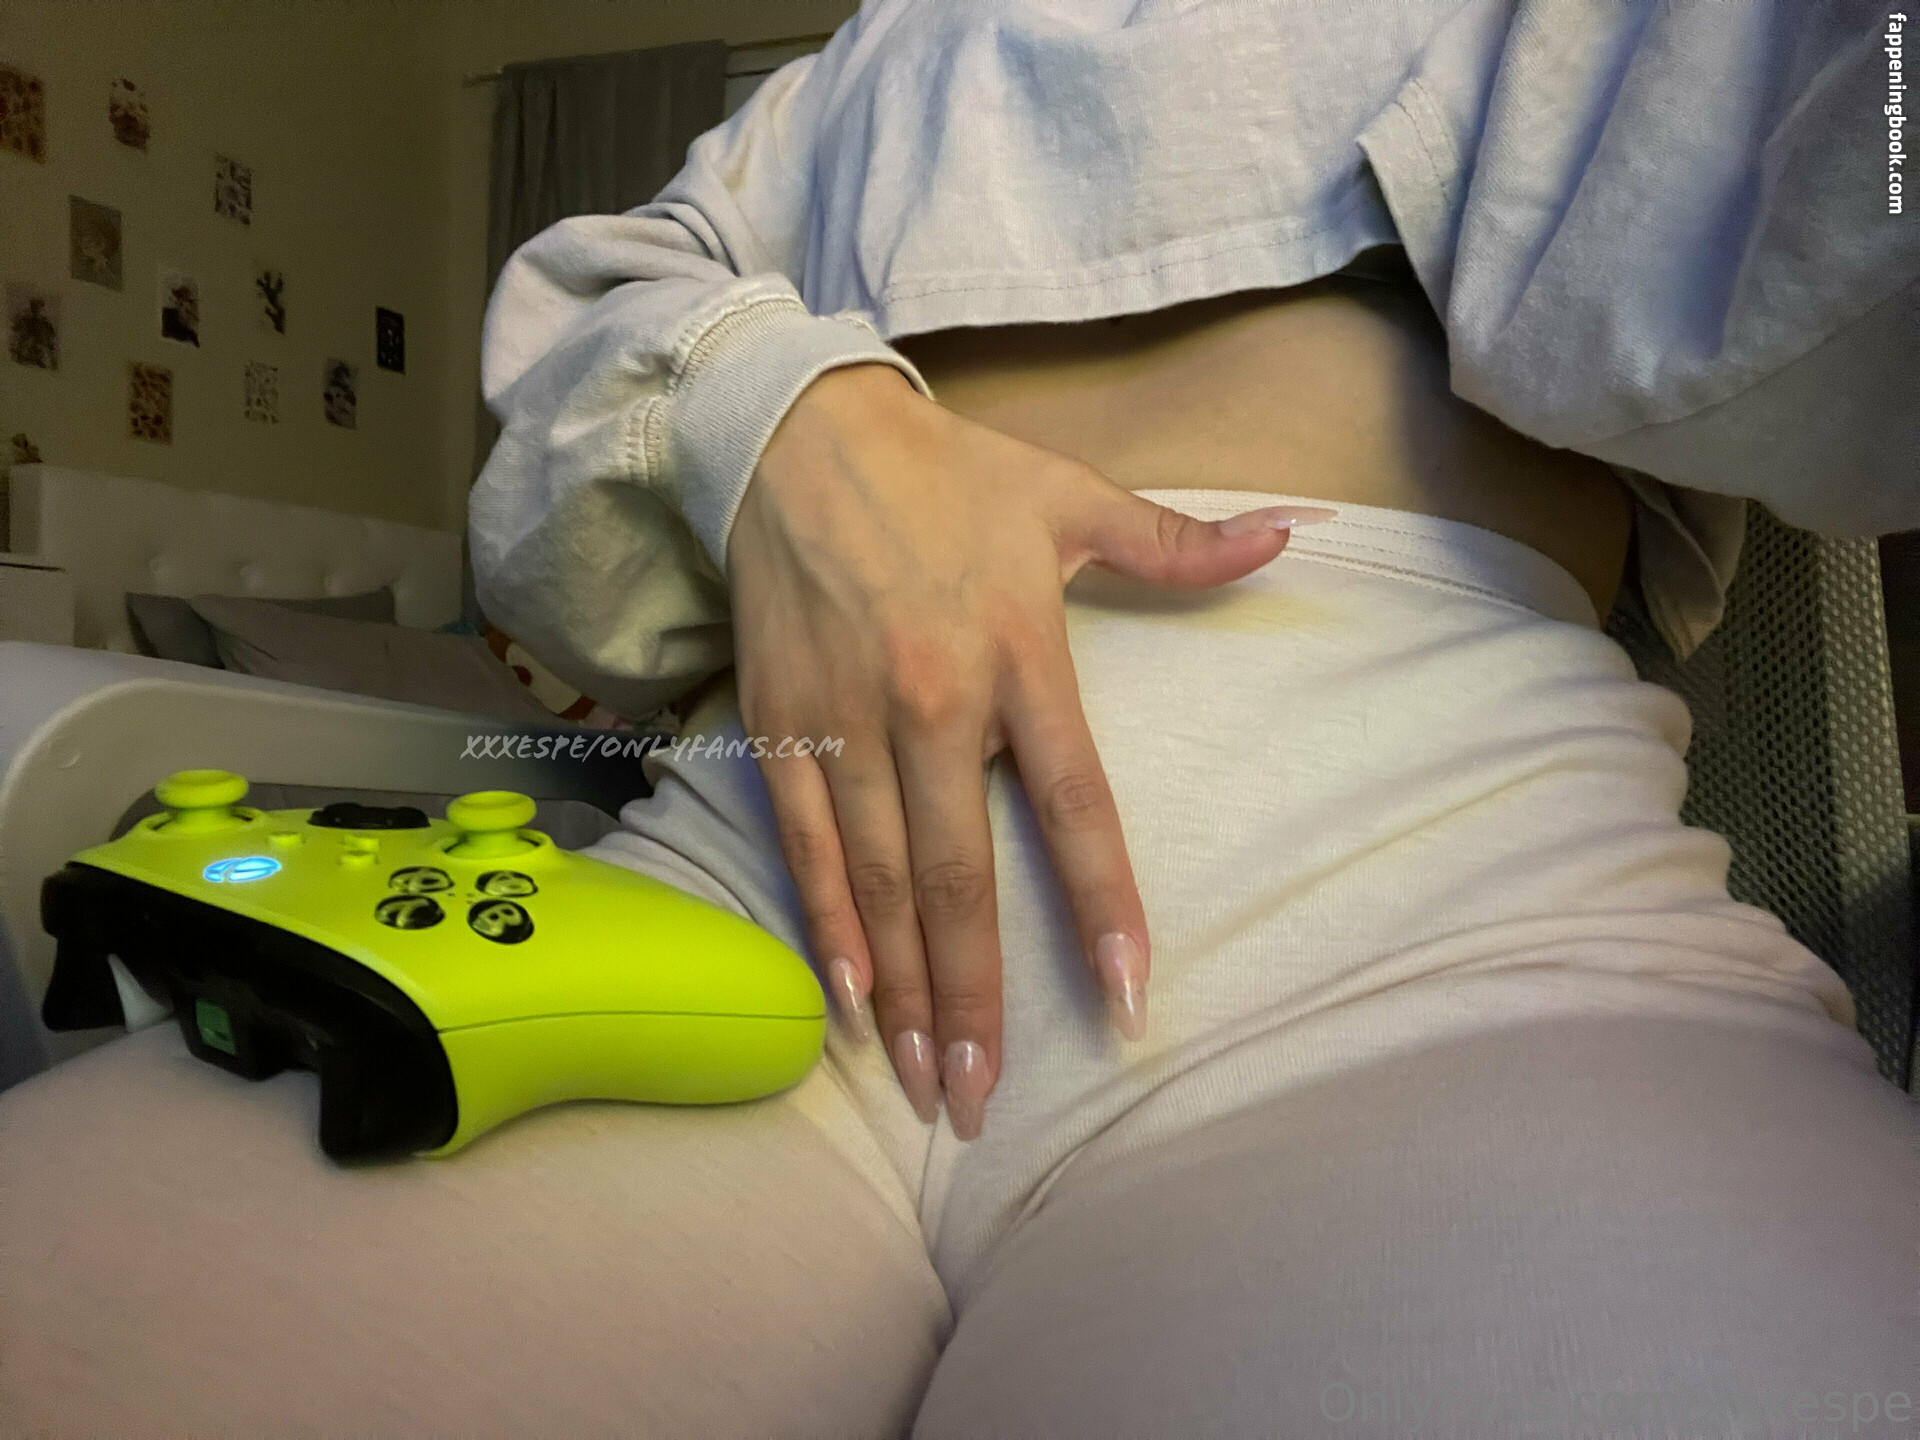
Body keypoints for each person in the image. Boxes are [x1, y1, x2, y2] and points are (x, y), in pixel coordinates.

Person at [3, 4, 1916, 1437]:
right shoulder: (855, 74)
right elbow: (565, 448)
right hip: (724, 906)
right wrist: (775, 418)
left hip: (1435, 953)